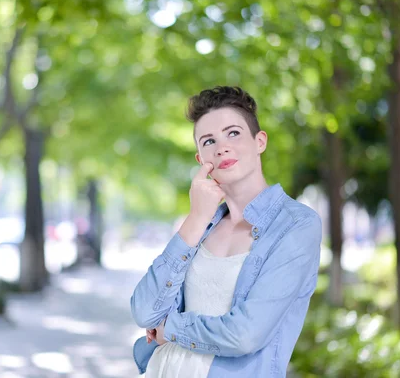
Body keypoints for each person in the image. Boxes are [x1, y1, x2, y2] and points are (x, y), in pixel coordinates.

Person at [130, 86, 322, 377]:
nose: (221, 147)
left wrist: (171, 328)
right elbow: (144, 311)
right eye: (209, 141)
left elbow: (245, 334)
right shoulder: (201, 226)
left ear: (260, 141)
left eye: (233, 133)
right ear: (200, 159)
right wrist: (196, 217)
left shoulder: (296, 225)